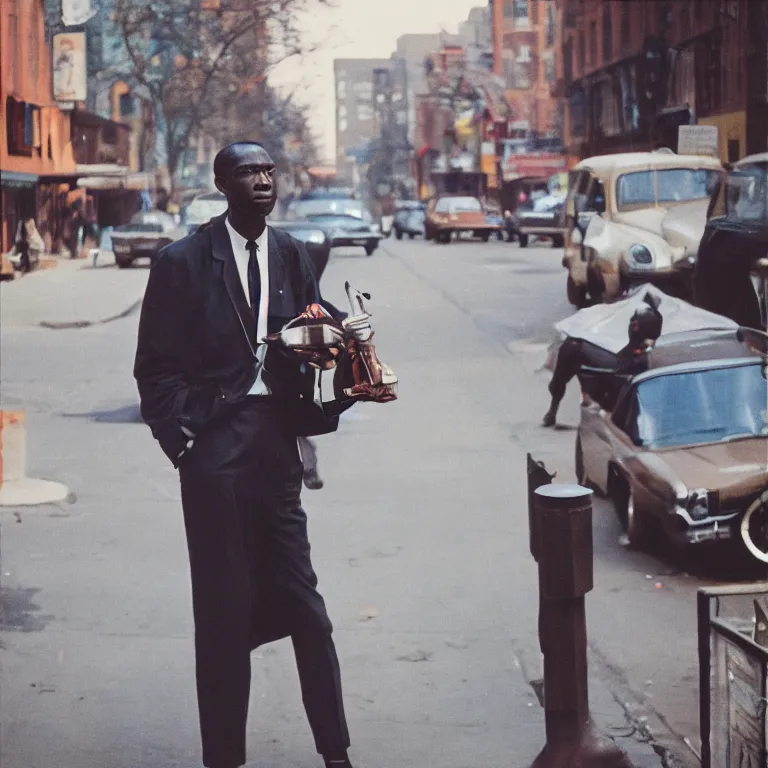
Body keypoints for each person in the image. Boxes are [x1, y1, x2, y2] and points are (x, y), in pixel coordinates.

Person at [134, 141, 358, 768]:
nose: (262, 181)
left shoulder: (291, 253)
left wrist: (349, 347)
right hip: (213, 449)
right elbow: (153, 367)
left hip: (275, 445)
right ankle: (224, 758)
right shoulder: (181, 261)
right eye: (246, 173)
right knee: (223, 619)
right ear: (222, 185)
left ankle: (336, 754)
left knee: (310, 613)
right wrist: (181, 441)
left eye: (268, 171)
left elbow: (316, 328)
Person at [542, 294, 663, 427]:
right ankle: (555, 408)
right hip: (608, 354)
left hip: (618, 357)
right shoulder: (622, 318)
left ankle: (558, 408)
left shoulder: (640, 327)